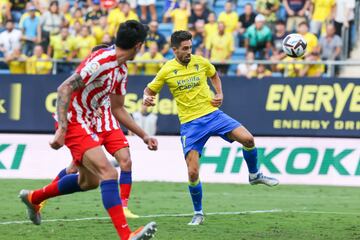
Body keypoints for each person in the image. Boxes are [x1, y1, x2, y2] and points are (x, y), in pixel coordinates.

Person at [19, 20, 158, 240]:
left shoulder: (121, 69)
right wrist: (62, 128)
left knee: (89, 182)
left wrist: (143, 135)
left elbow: (118, 108)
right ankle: (126, 236)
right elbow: (64, 88)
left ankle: (34, 197)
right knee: (109, 173)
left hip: (90, 121)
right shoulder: (102, 60)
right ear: (139, 45)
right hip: (74, 121)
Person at [143, 30, 279, 225]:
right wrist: (146, 97)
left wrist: (219, 93)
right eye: (184, 49)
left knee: (248, 139)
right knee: (192, 172)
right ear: (174, 50)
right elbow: (149, 90)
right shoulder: (166, 70)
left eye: (190, 47)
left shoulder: (201, 62)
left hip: (213, 115)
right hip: (191, 124)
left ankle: (254, 174)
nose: (189, 51)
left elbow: (214, 75)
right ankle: (198, 212)